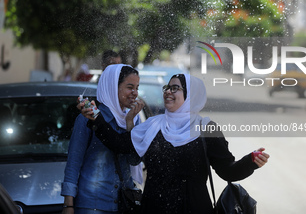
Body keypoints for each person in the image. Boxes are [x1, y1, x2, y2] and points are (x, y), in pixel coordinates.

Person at [82, 74, 270, 214]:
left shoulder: (206, 128)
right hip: (154, 209)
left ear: (191, 95)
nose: (167, 92)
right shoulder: (153, 125)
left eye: (175, 88)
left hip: (195, 208)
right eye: (167, 87)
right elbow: (120, 144)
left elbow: (227, 171)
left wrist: (250, 161)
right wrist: (95, 117)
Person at [61, 64, 142, 214]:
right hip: (92, 204)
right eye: (130, 87)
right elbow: (74, 162)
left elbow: (134, 160)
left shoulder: (134, 119)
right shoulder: (89, 116)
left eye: (137, 88)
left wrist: (130, 124)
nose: (134, 93)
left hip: (124, 203)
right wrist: (68, 205)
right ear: (113, 87)